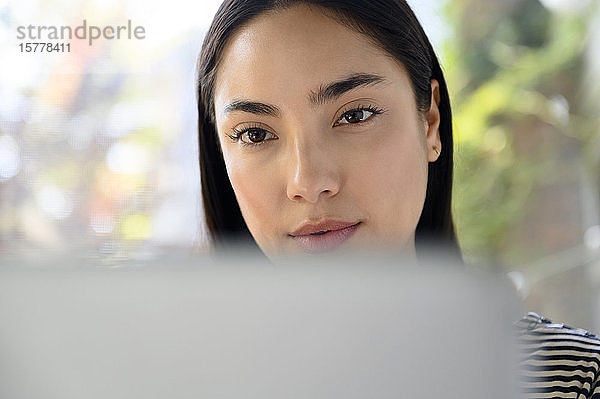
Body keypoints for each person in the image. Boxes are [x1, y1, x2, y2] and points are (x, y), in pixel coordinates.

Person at [196, 0, 600, 397]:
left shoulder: (574, 379)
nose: (308, 181)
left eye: (355, 116)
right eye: (255, 134)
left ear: (429, 124)